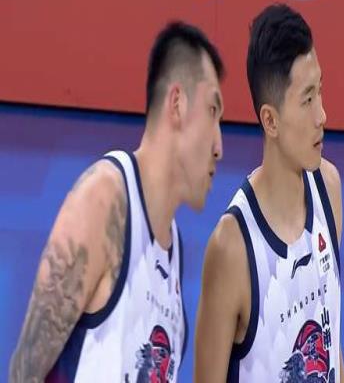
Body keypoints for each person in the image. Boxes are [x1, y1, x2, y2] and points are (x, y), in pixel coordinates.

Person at [9, 21, 225, 382]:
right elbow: (25, 371)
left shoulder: (173, 249)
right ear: (177, 103)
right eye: (213, 111)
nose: (219, 146)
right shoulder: (104, 199)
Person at [195, 4, 344, 383]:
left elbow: (332, 341)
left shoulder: (329, 189)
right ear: (270, 120)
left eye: (320, 91)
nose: (322, 116)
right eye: (307, 99)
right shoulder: (231, 249)